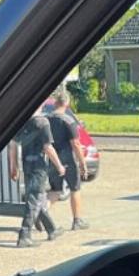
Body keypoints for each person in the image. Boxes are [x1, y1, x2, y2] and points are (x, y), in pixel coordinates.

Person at [8, 107, 65, 247]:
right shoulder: (42, 122)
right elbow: (47, 147)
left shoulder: (22, 122)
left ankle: (51, 229)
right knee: (34, 199)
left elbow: (13, 145)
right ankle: (24, 235)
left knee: (36, 197)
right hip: (38, 166)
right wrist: (59, 166)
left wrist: (14, 166)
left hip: (26, 164)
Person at [45, 90, 89, 230]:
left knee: (55, 190)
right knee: (75, 188)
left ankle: (41, 212)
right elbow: (75, 144)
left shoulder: (47, 119)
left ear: (55, 103)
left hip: (53, 157)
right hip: (67, 157)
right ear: (67, 104)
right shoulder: (68, 120)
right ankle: (77, 220)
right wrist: (82, 163)